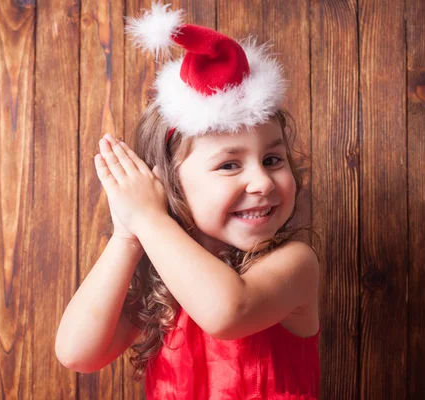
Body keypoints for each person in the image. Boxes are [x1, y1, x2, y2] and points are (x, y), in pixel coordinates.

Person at [55, 3, 321, 399]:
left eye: (272, 159)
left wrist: (150, 220)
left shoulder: (294, 263)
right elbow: (77, 352)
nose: (262, 181)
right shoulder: (162, 283)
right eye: (230, 165)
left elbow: (226, 312)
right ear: (170, 185)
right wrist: (129, 233)